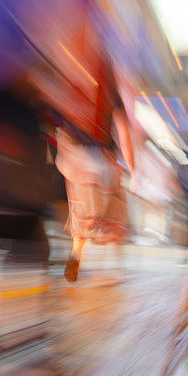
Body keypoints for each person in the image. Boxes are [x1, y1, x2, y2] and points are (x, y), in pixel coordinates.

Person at [55, 64, 134, 282]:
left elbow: (60, 119)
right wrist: (130, 166)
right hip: (103, 155)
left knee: (80, 213)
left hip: (78, 157)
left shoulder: (75, 82)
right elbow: (124, 129)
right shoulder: (110, 91)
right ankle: (115, 268)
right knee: (114, 214)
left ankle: (75, 254)